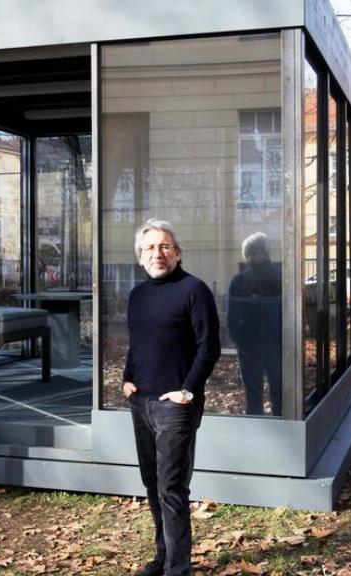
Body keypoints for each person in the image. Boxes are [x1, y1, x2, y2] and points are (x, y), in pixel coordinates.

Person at [122, 219, 221, 576]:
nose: (157, 253)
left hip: (175, 406)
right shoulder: (137, 295)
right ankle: (163, 557)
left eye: (164, 246)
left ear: (177, 253)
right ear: (140, 256)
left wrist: (187, 391)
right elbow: (138, 342)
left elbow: (209, 348)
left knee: (172, 488)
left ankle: (178, 569)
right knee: (152, 483)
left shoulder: (194, 290)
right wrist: (127, 378)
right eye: (149, 248)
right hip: (141, 402)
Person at [226, 232, 282, 416]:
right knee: (278, 386)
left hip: (250, 341)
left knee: (253, 391)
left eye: (252, 252)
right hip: (275, 340)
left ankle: (256, 422)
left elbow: (232, 316)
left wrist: (238, 338)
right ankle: (280, 419)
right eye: (250, 252)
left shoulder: (240, 280)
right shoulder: (282, 277)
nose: (251, 256)